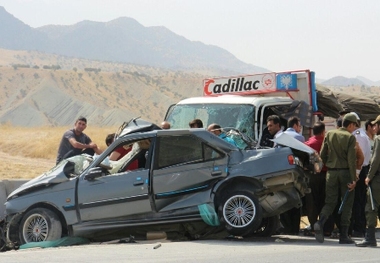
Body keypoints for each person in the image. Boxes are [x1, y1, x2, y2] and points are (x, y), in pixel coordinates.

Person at [314, 113, 358, 244]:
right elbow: (351, 160)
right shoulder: (350, 137)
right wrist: (353, 179)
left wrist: (329, 164)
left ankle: (320, 222)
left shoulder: (330, 134)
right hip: (345, 173)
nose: (354, 129)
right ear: (350, 124)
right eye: (354, 126)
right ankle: (344, 235)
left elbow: (322, 154)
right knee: (347, 203)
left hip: (331, 173)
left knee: (330, 202)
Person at [304, 122, 334, 236]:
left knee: (312, 202)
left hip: (312, 176)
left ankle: (313, 226)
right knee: (325, 201)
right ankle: (326, 228)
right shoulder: (326, 142)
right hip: (326, 175)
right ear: (323, 131)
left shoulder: (307, 143)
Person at [279, 116, 304, 235]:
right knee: (296, 199)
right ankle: (294, 229)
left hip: (281, 172)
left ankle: (286, 227)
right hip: (295, 172)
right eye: (299, 126)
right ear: (295, 126)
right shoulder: (299, 137)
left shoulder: (279, 136)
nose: (300, 128)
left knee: (283, 198)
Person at [355, 134, 380, 247]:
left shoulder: (378, 139)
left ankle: (370, 237)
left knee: (371, 206)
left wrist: (369, 176)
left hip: (378, 178)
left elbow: (375, 159)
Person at [349, 113, 371, 238]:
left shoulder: (358, 136)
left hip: (360, 170)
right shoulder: (360, 135)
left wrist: (356, 174)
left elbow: (359, 158)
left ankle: (359, 228)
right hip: (361, 170)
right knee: (359, 200)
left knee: (358, 200)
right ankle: (359, 227)